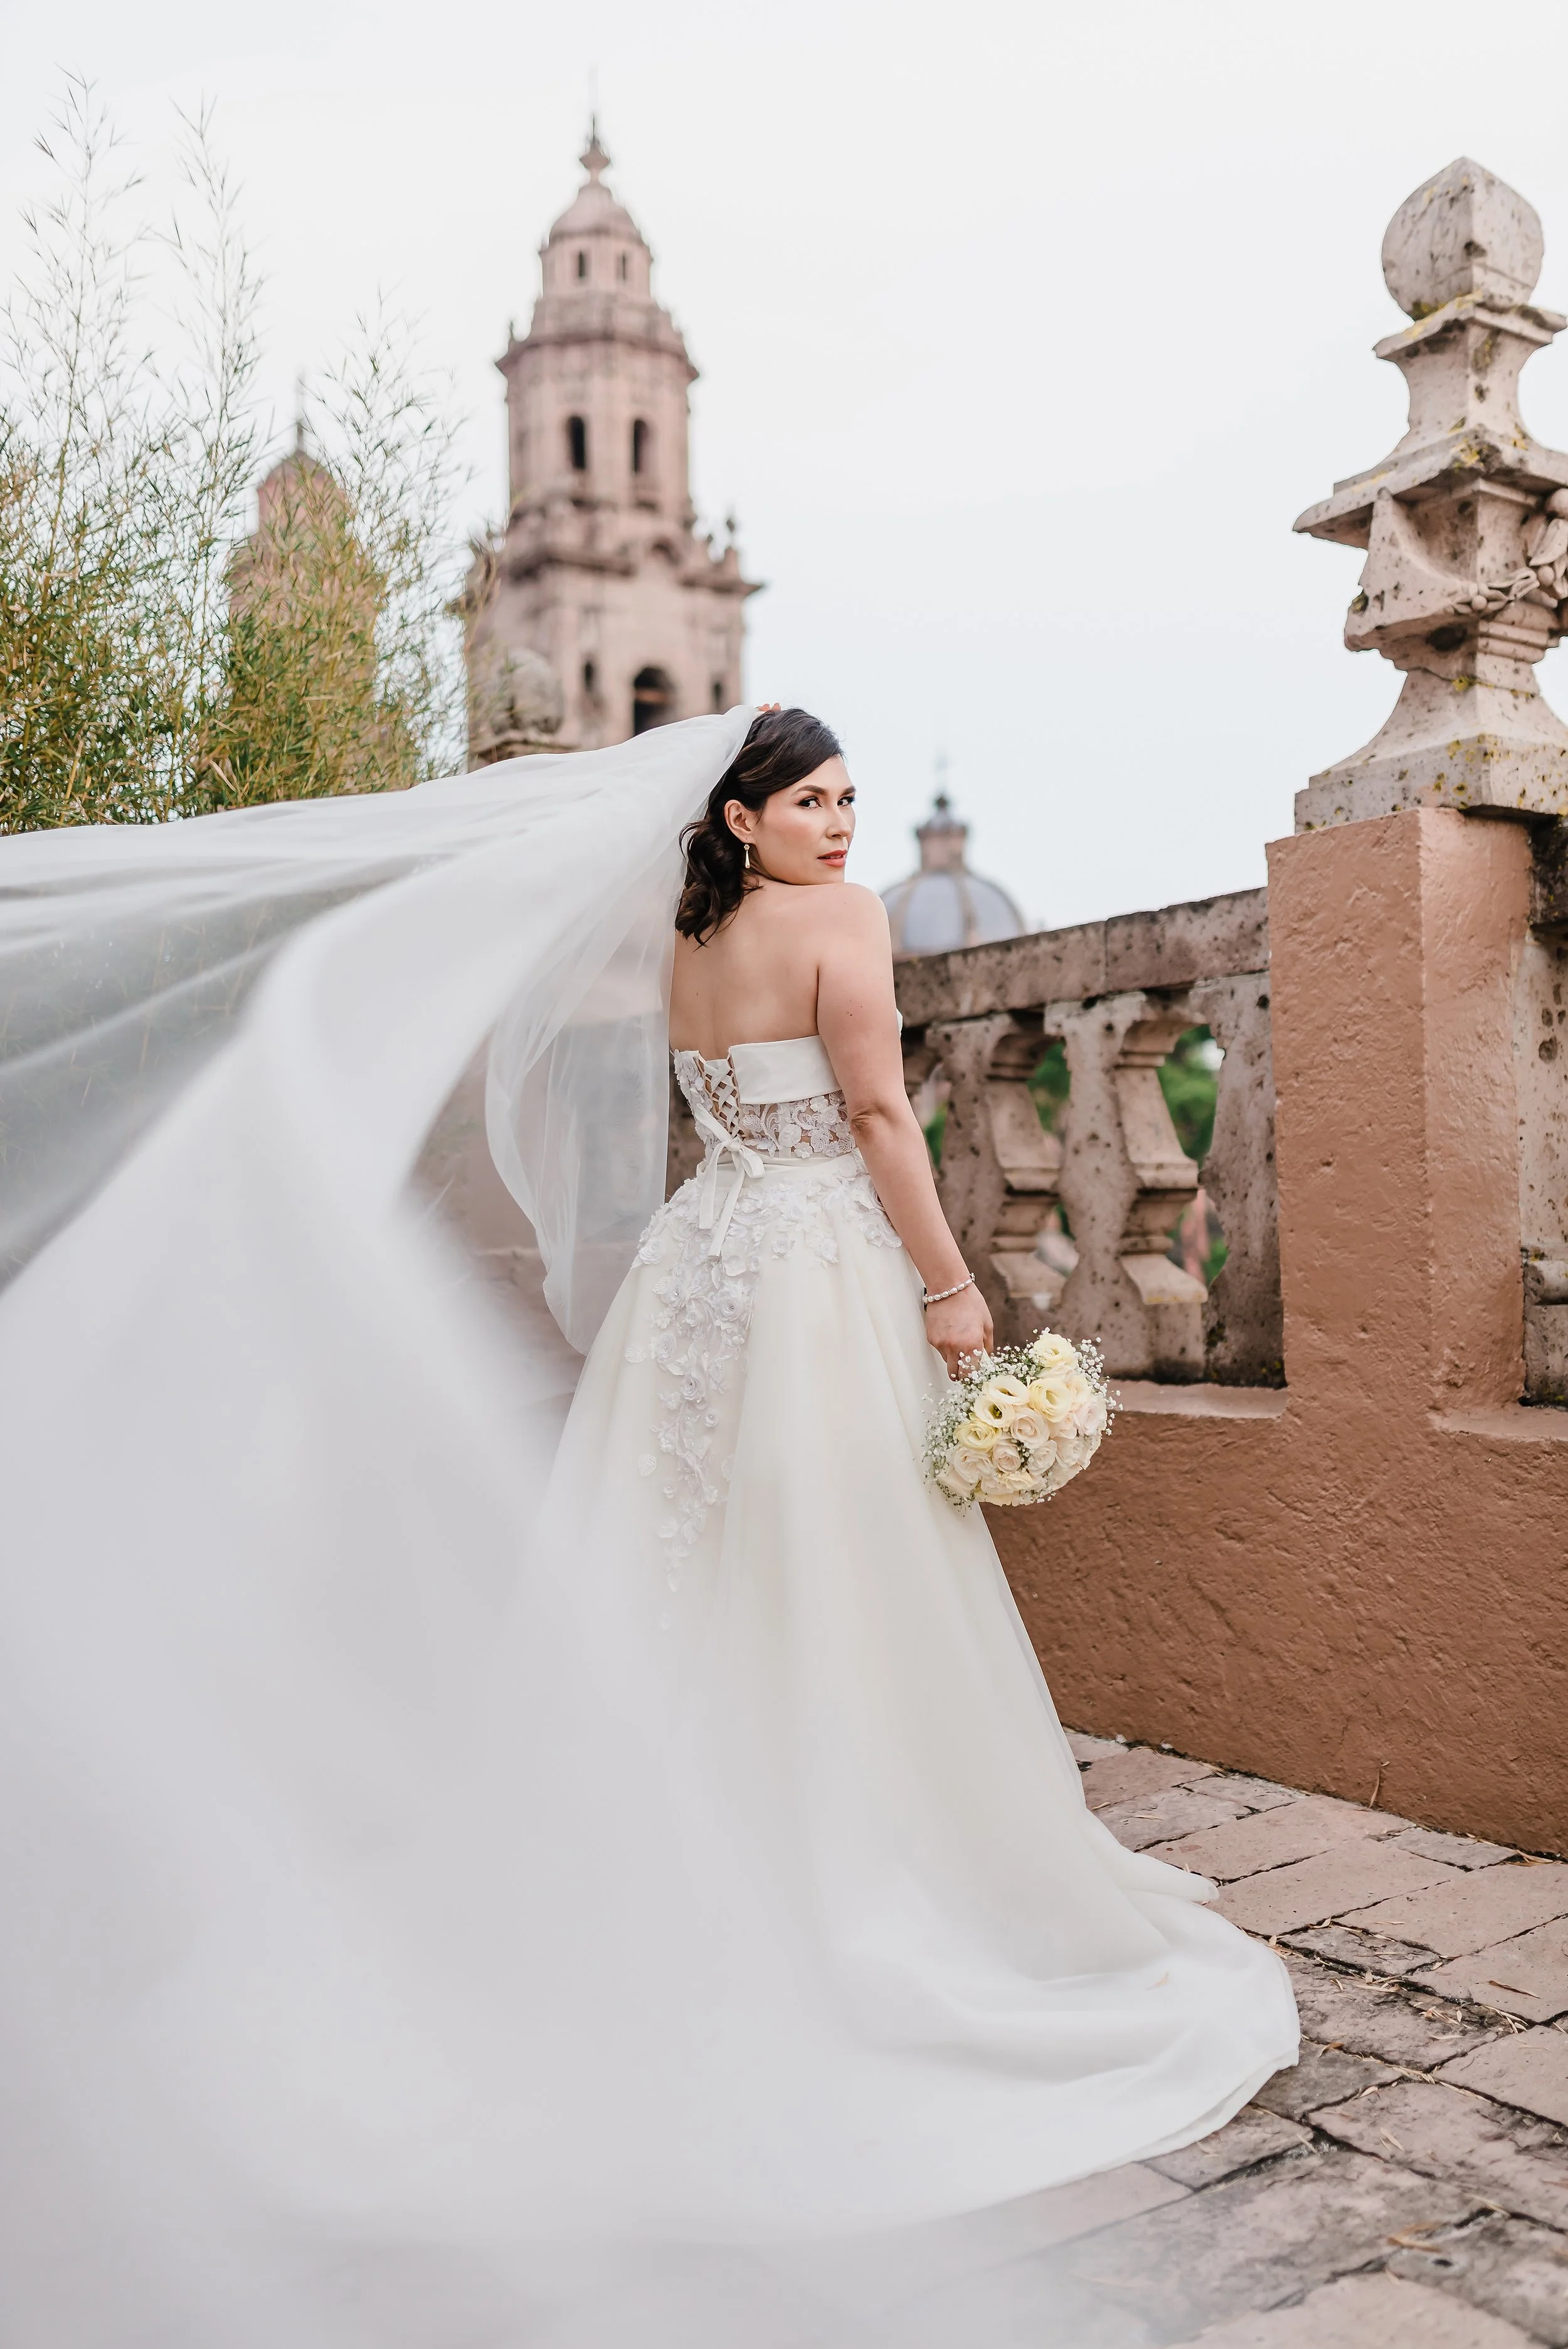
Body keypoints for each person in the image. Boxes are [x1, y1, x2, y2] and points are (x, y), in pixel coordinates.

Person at [0, 704, 1296, 2345]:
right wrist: (955, 1291)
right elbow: (885, 1122)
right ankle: (845, 1875)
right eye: (810, 801)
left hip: (701, 1277)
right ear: (740, 816)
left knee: (683, 1560)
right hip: (813, 1273)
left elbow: (709, 1113)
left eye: (850, 802)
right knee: (830, 1568)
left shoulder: (689, 936)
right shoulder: (841, 922)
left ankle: (680, 1853)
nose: (839, 825)